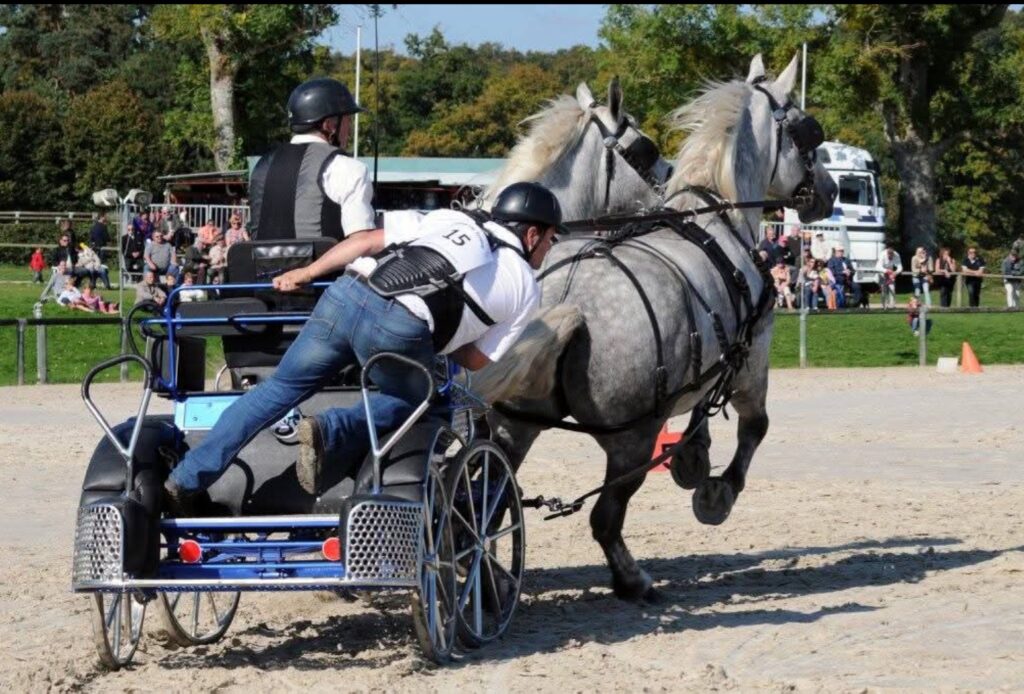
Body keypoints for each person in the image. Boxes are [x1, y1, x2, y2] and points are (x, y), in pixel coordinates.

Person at [163, 181, 564, 508]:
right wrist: (445, 339)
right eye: (550, 239)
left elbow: (367, 241)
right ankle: (332, 431)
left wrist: (308, 271)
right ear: (531, 234)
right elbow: (475, 359)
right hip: (401, 330)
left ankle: (185, 477)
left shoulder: (450, 219)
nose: (548, 249)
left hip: (346, 295)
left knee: (275, 392)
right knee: (422, 400)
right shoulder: (526, 287)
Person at [248, 77, 375, 241]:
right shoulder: (347, 168)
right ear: (329, 125)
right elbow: (360, 242)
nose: (349, 131)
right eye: (347, 121)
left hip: (262, 267)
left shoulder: (261, 165)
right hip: (328, 267)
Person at [827, 244, 859, 308]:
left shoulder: (846, 260)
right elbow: (832, 272)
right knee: (839, 290)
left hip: (847, 280)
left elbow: (853, 270)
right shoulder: (831, 260)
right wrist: (842, 272)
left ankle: (855, 304)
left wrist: (850, 272)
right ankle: (841, 307)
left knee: (857, 287)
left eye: (842, 251)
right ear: (835, 251)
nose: (841, 252)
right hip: (837, 280)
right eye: (839, 251)